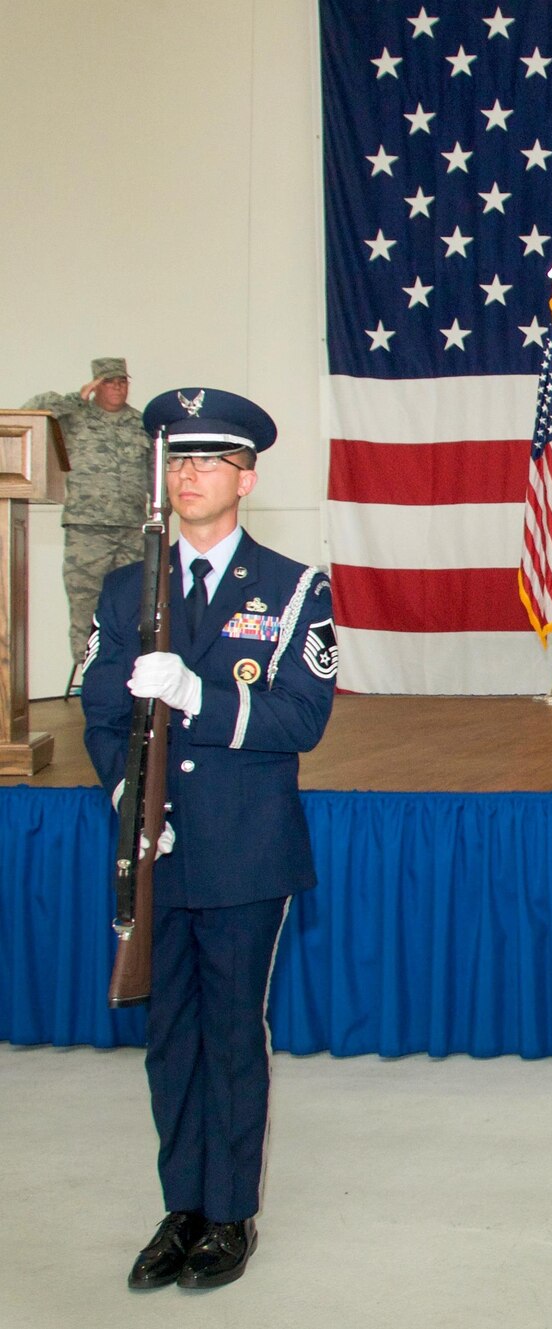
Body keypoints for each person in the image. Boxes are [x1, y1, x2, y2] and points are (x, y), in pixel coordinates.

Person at [81, 387, 338, 1290]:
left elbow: (303, 716)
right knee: (168, 1034)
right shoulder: (128, 588)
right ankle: (179, 1205)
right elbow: (99, 711)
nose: (190, 476)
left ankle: (229, 1213)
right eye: (178, 461)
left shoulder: (295, 587)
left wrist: (200, 695)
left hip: (243, 850)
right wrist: (130, 800)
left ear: (248, 477)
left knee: (232, 1032)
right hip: (156, 851)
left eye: (209, 461)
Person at [22, 357, 152, 675]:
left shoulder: (141, 423)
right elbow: (30, 413)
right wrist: (73, 399)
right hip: (86, 529)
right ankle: (90, 674)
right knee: (84, 603)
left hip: (131, 528)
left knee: (134, 603)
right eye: (109, 382)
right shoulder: (74, 416)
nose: (118, 387)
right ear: (95, 386)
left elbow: (155, 470)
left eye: (123, 381)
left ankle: (129, 673)